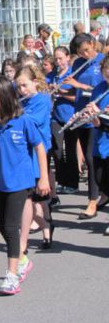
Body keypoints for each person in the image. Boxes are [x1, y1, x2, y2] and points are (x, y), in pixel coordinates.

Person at [0, 76, 50, 295]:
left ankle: (11, 276)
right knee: (2, 227)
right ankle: (23, 260)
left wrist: (44, 178)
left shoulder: (23, 121)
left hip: (21, 181)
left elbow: (39, 147)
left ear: (5, 97)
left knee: (10, 228)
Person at [64, 33, 105, 219]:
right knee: (92, 161)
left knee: (91, 158)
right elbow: (75, 90)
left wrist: (77, 84)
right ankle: (101, 194)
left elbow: (98, 90)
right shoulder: (77, 63)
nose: (85, 55)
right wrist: (63, 90)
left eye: (86, 50)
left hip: (97, 115)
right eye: (81, 53)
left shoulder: (102, 62)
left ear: (92, 43)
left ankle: (93, 200)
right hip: (81, 113)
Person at [15, 65, 54, 252]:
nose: (22, 90)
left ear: (35, 83)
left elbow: (31, 121)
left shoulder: (43, 100)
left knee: (38, 195)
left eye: (25, 85)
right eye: (19, 87)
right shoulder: (21, 101)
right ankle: (41, 227)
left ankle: (46, 227)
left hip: (38, 150)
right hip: (23, 150)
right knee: (28, 196)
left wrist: (11, 114)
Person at [47, 47, 78, 198]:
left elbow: (76, 97)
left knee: (71, 150)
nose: (58, 62)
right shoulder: (52, 75)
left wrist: (61, 93)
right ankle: (62, 180)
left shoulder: (73, 74)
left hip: (71, 116)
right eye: (56, 59)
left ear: (67, 57)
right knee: (57, 149)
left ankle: (73, 183)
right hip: (55, 116)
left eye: (61, 58)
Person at [85, 55, 109, 234]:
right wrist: (92, 115)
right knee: (101, 180)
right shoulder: (99, 89)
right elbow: (97, 123)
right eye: (106, 76)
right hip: (100, 141)